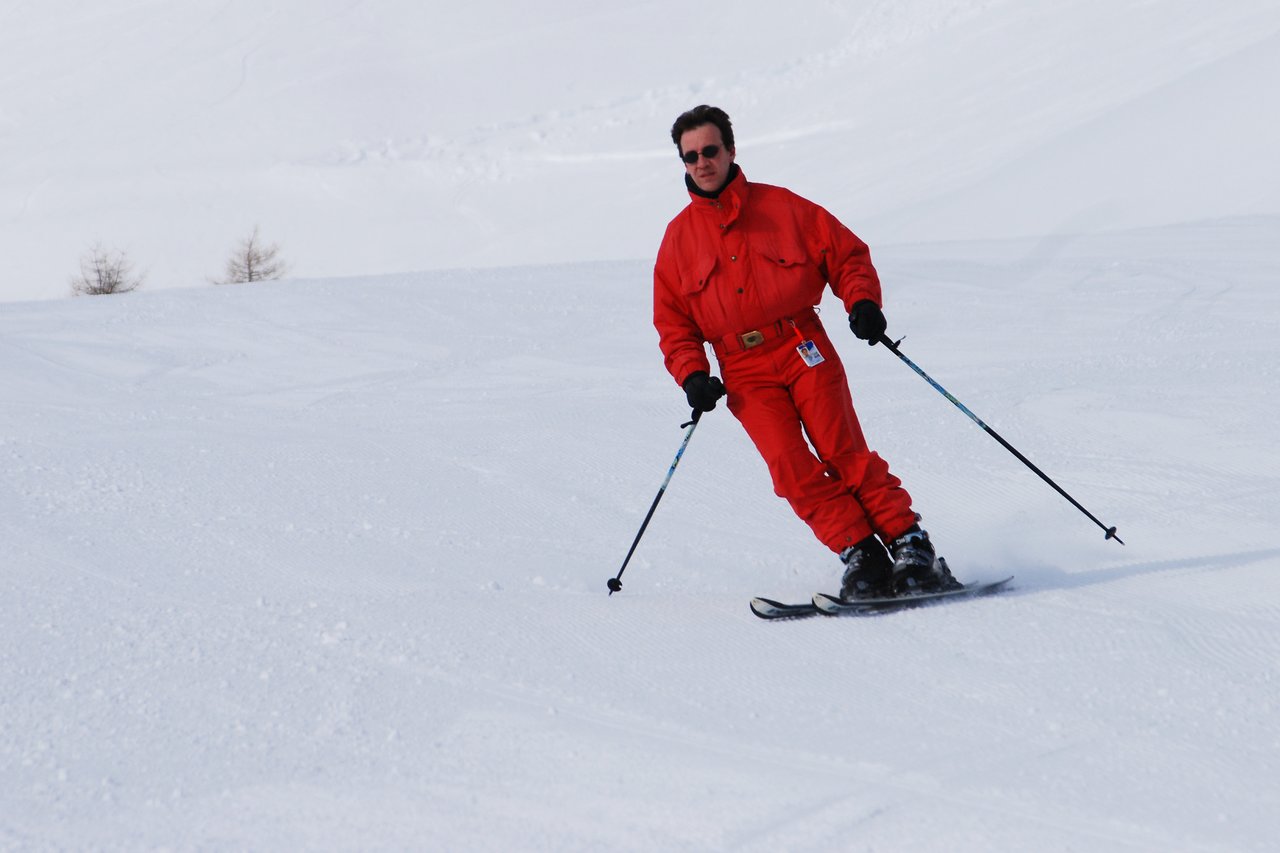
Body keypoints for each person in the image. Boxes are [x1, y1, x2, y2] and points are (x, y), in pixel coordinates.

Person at [652, 105, 957, 599]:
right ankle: (862, 554)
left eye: (710, 151)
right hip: (743, 369)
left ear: (731, 150)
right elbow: (673, 323)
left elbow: (845, 254)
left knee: (842, 451)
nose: (702, 163)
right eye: (691, 157)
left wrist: (861, 302)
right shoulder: (677, 240)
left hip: (801, 343)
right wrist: (692, 375)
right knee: (791, 469)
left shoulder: (783, 208)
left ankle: (911, 544)